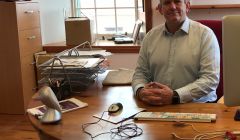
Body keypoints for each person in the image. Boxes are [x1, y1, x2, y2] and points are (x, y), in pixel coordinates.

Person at [132, 0, 220, 105]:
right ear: (160, 9)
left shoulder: (205, 35)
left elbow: (210, 79)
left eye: (177, 1)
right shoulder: (150, 37)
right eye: (167, 3)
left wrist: (175, 96)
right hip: (158, 106)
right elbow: (140, 73)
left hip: (197, 106)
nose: (173, 7)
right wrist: (140, 91)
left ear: (187, 6)